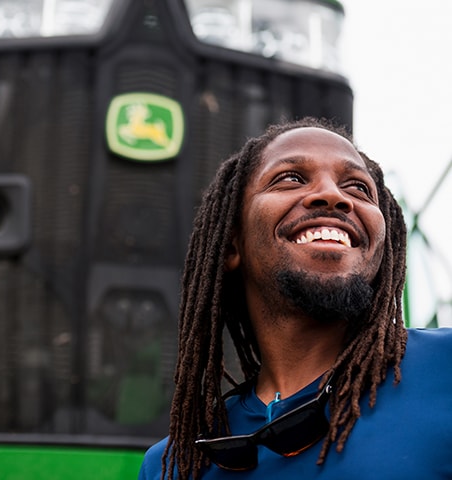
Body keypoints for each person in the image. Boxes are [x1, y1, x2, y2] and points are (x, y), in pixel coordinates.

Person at [138, 117, 452, 480]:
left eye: (358, 188)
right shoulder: (175, 464)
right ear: (231, 245)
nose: (333, 195)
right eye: (291, 178)